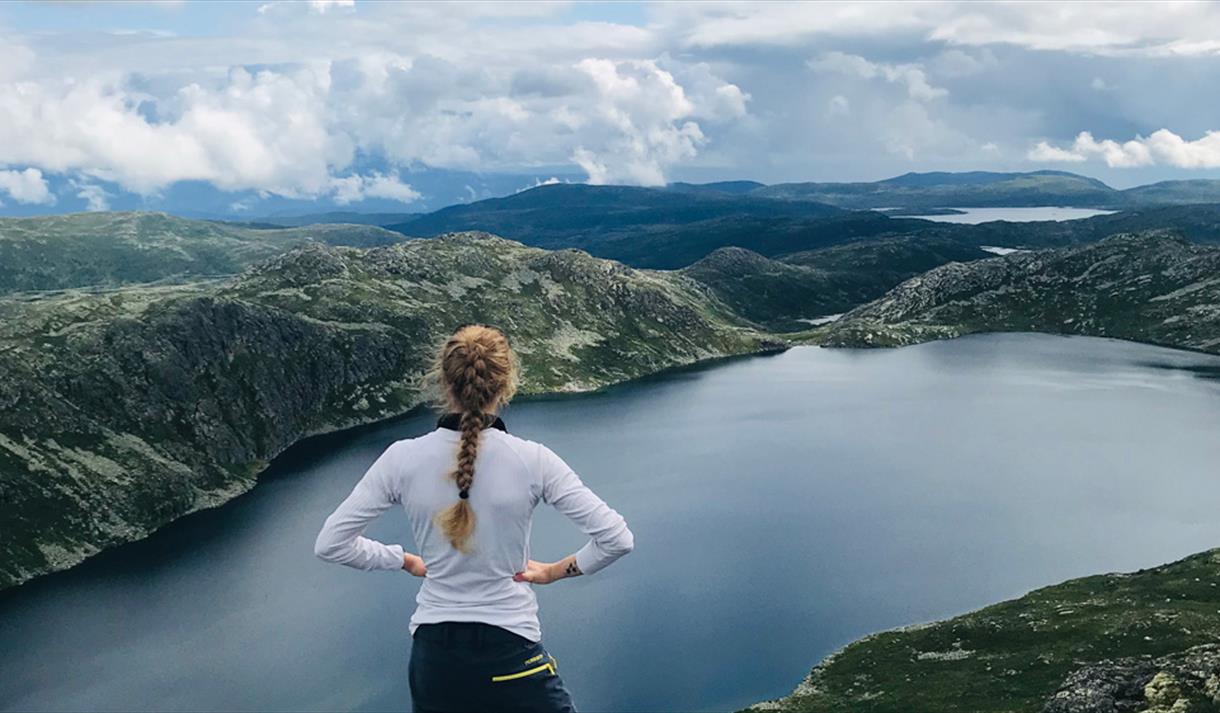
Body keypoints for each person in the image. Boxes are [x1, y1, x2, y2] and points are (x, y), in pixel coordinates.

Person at [314, 324, 634, 712]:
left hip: (433, 660)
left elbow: (331, 544)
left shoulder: (401, 458)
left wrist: (403, 559)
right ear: (506, 384)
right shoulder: (533, 459)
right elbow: (617, 539)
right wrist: (554, 572)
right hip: (508, 651)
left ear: (443, 381)